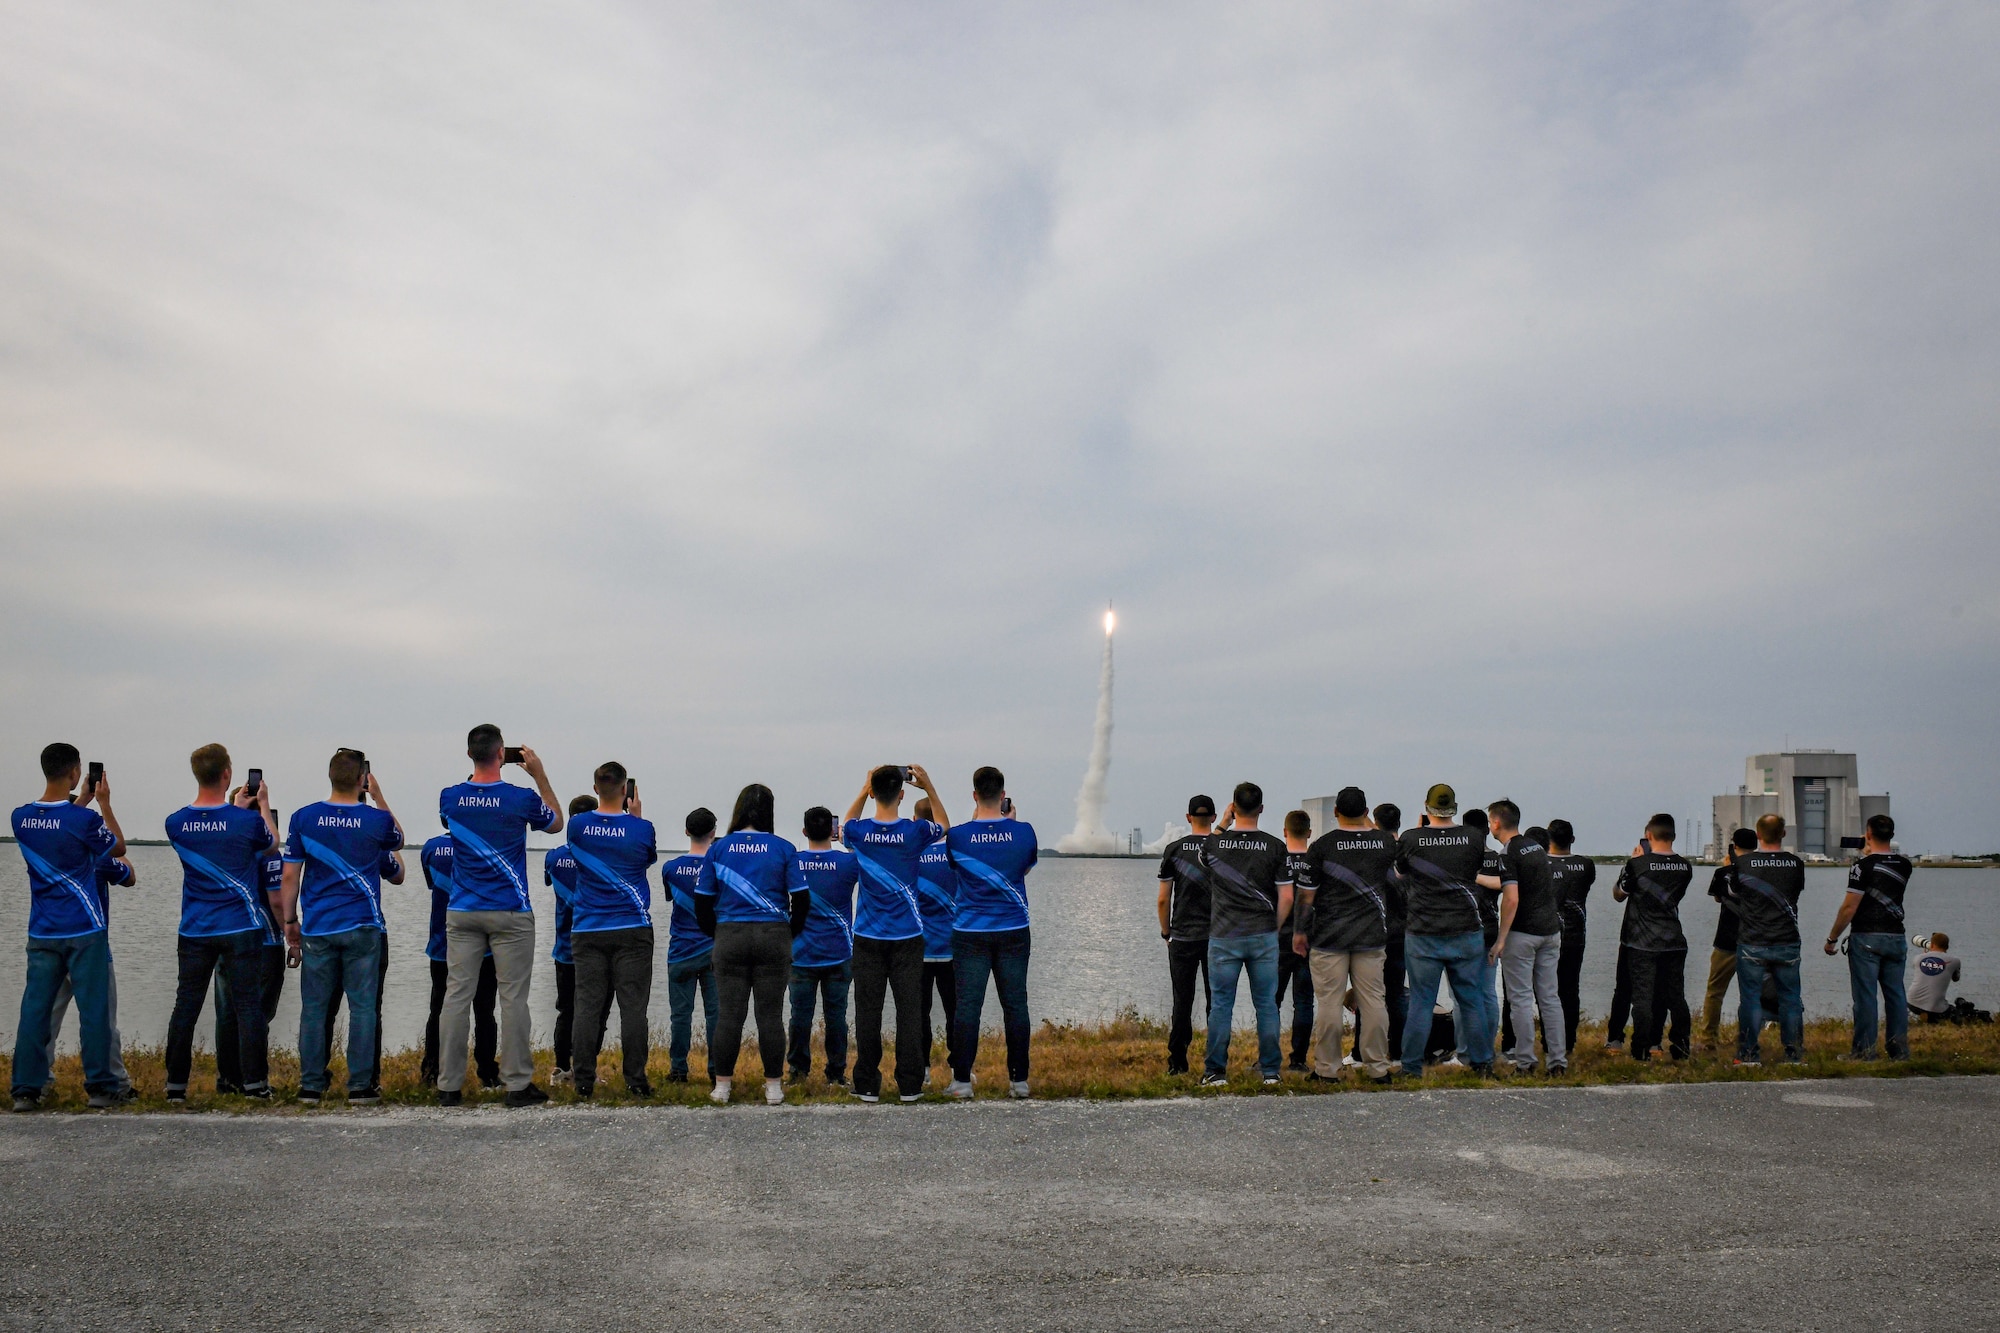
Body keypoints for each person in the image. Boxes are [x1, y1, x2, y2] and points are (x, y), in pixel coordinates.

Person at [437, 724, 563, 1108]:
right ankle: (516, 1084)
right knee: (512, 999)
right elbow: (556, 822)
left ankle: (449, 1085)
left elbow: (451, 819)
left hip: (462, 910)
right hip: (510, 909)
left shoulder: (450, 798)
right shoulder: (519, 798)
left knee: (457, 996)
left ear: (470, 754)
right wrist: (539, 774)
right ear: (501, 755)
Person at [279, 748, 404, 1104]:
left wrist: (290, 921)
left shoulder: (303, 818)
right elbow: (397, 841)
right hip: (363, 924)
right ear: (362, 779)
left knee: (315, 1009)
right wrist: (378, 797)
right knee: (363, 1008)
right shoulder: (374, 820)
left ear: (330, 776)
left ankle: (311, 1086)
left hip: (319, 925)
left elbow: (290, 874)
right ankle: (361, 1086)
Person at [11, 743, 130, 1111]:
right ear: (75, 774)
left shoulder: (20, 818)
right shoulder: (85, 820)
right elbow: (118, 847)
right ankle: (102, 1086)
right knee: (94, 1011)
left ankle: (26, 1090)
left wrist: (79, 802)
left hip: (43, 931)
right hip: (84, 928)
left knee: (35, 1011)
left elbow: (58, 824)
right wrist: (104, 805)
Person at [160, 743, 280, 1101]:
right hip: (241, 926)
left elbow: (211, 829)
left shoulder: (175, 823)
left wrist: (232, 808)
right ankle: (256, 1084)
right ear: (227, 773)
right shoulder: (246, 822)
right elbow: (271, 844)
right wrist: (260, 805)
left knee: (186, 1006)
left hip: (195, 928)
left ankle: (176, 1085)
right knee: (248, 1007)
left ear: (197, 774)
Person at [842, 765, 949, 1103]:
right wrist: (929, 786)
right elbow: (945, 827)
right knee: (910, 1011)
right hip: (907, 936)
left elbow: (844, 827)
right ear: (902, 794)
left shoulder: (859, 833)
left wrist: (863, 788)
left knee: (868, 1012)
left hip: (868, 936)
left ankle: (867, 1083)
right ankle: (910, 1084)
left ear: (874, 792)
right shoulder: (914, 832)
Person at [696, 783, 807, 1105]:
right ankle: (773, 1086)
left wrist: (717, 934)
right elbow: (802, 900)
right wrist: (788, 934)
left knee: (729, 1015)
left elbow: (702, 903)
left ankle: (722, 1086)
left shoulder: (718, 848)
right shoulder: (784, 848)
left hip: (730, 934)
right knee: (770, 1015)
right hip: (773, 934)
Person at [567, 762, 659, 1099]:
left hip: (589, 927)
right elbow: (647, 859)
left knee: (588, 1006)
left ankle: (583, 1080)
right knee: (633, 1008)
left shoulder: (578, 826)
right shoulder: (642, 828)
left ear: (595, 789)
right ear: (626, 790)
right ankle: (636, 1080)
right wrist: (634, 818)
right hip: (632, 927)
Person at [945, 768, 1038, 1099]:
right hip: (1013, 928)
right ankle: (1019, 1080)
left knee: (967, 1006)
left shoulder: (957, 836)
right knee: (1015, 1004)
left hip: (970, 931)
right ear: (1003, 795)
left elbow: (957, 869)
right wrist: (1010, 824)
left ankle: (962, 1082)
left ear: (974, 795)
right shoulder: (1024, 832)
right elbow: (1023, 868)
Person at [1292, 786, 1394, 1083]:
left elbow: (1306, 897)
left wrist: (1299, 932)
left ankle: (1327, 1069)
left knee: (1328, 1004)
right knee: (1374, 1001)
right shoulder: (1384, 843)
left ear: (1335, 812)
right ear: (1366, 811)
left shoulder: (1322, 846)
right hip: (1372, 935)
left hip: (1329, 937)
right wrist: (1369, 826)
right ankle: (1378, 1068)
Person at [1395, 783, 1494, 1077]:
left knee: (1421, 1003)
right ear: (1454, 808)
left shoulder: (1411, 838)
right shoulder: (1474, 838)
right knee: (1471, 1000)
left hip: (1423, 932)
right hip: (1465, 930)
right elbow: (1474, 870)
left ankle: (1411, 1067)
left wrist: (1418, 833)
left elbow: (1400, 873)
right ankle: (1482, 1063)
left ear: (1427, 809)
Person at [1199, 782, 1293, 1087]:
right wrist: (1274, 928)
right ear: (1262, 809)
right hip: (1263, 935)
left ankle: (1215, 1071)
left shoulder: (1215, 845)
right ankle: (1270, 1072)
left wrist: (1223, 825)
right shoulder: (1276, 846)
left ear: (1233, 807)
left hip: (1225, 935)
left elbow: (1202, 859)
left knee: (1221, 1004)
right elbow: (1287, 898)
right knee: (1267, 1004)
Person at [43, 854, 137, 1096]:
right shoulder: (99, 859)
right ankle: (115, 1083)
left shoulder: (45, 851)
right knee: (102, 1019)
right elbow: (129, 876)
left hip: (50, 941)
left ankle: (37, 1082)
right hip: (91, 947)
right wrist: (115, 846)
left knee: (45, 1018)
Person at [421, 815, 504, 1088]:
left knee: (440, 1009)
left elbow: (432, 885)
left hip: (442, 942)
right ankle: (488, 1072)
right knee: (484, 1010)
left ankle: (432, 1070)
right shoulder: (489, 850)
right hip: (483, 945)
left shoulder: (432, 849)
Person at [1825, 813, 1914, 1060]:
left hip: (1866, 937)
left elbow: (1849, 907)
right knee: (1896, 995)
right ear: (1892, 835)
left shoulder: (1861, 867)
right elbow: (1885, 875)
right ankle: (1899, 1050)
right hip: (1896, 936)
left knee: (1866, 997)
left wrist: (1832, 938)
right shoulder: (1905, 865)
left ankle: (1864, 1051)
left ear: (1868, 834)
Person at [213, 817, 289, 1095]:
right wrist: (291, 934)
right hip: (264, 940)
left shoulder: (221, 850)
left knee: (226, 1014)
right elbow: (277, 900)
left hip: (224, 936)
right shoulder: (270, 856)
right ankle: (254, 1080)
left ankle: (228, 1078)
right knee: (258, 1014)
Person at [1490, 799, 1566, 1074]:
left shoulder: (1508, 853)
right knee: (1549, 998)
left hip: (1523, 934)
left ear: (1496, 822)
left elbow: (1510, 899)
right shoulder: (1535, 847)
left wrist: (1500, 940)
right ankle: (1558, 1061)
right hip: (1550, 931)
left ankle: (1526, 1061)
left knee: (1520, 999)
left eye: (1490, 821)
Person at [1725, 813, 1806, 1066]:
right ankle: (1793, 1056)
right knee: (1790, 999)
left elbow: (1732, 892)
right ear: (1783, 834)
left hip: (1752, 940)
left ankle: (1749, 1055)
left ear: (1758, 835)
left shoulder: (1744, 863)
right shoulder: (1796, 863)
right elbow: (1796, 890)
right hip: (1787, 940)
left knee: (1750, 999)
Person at [1611, 813, 1692, 1062]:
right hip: (1673, 940)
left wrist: (1632, 863)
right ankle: (1680, 1047)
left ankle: (1642, 1049)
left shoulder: (1638, 865)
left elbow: (1618, 894)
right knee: (1676, 997)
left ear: (1648, 835)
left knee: (1642, 998)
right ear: (1674, 836)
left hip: (1642, 941)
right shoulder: (1685, 867)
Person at [789, 806, 858, 1086]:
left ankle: (798, 1071)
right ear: (833, 831)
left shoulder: (792, 862)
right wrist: (846, 841)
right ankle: (836, 1072)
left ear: (804, 832)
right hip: (839, 950)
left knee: (799, 1016)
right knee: (836, 1017)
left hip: (800, 952)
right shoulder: (849, 863)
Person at [1155, 796, 1216, 1076]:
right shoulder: (1220, 849)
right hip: (1217, 936)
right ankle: (1216, 1061)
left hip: (1182, 936)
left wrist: (1166, 931)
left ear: (1188, 817)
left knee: (1183, 1000)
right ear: (1213, 817)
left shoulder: (1175, 849)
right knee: (1217, 1000)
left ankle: (1177, 1061)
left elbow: (1163, 900)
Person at [661, 809, 720, 1082]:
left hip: (681, 950)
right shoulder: (719, 868)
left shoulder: (670, 868)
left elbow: (670, 898)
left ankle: (678, 1069)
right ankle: (716, 1070)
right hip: (713, 948)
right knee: (715, 1015)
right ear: (713, 833)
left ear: (686, 832)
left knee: (680, 1016)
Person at [542, 795, 596, 1085]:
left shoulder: (553, 857)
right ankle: (586, 1067)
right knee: (592, 1011)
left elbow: (551, 883)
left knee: (566, 1010)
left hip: (564, 946)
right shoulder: (597, 858)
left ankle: (562, 1068)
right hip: (592, 946)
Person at [913, 796, 959, 1081]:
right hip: (953, 945)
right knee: (956, 1011)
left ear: (917, 822)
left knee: (919, 1013)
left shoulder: (909, 853)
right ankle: (959, 1068)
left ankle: (923, 1069)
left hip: (918, 946)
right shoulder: (955, 853)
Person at [1701, 828, 1756, 1051]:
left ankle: (1708, 1040)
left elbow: (1717, 898)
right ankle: (1748, 1038)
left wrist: (1727, 867)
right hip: (1754, 939)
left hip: (1726, 940)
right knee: (1751, 993)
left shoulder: (1722, 873)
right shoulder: (1760, 872)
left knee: (1715, 991)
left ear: (1733, 846)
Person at [1458, 806, 1504, 1069]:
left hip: (1465, 929)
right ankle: (1488, 1049)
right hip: (1491, 929)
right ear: (1487, 830)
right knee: (1488, 993)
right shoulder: (1496, 858)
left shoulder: (1460, 857)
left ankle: (1464, 1053)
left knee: (1462, 995)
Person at [1544, 819, 1594, 1056]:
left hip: (1547, 935)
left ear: (1548, 839)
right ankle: (1569, 1042)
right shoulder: (1586, 865)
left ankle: (1548, 1042)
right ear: (1572, 839)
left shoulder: (1541, 865)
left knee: (1546, 991)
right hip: (1575, 936)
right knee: (1570, 990)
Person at [1273, 810, 1317, 1072]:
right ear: (1309, 833)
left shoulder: (1278, 861)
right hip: (1309, 940)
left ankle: (1268, 1056)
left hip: (1279, 940)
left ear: (1285, 832)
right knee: (1303, 1001)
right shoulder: (1316, 861)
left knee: (1271, 1002)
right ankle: (1298, 1059)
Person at [1371, 802, 1409, 1064]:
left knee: (1370, 994)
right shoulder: (1408, 851)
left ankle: (1365, 1050)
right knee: (1397, 994)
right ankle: (1398, 1050)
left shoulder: (1376, 852)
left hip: (1376, 931)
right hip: (1404, 931)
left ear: (1376, 823)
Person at [1908, 932, 1961, 1021]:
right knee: (1955, 1013)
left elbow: (1920, 970)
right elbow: (1956, 979)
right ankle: (1930, 1018)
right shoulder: (1955, 961)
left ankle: (1925, 1018)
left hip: (1912, 1003)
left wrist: (1927, 956)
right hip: (1936, 1009)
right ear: (1947, 947)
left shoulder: (1918, 958)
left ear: (1931, 944)